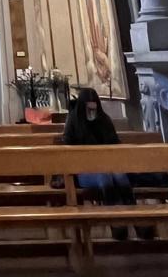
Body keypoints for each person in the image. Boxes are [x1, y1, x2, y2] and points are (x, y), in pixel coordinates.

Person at [62, 88, 152, 240]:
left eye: (94, 108)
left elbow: (115, 145)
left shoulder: (104, 120)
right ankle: (116, 222)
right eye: (88, 109)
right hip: (84, 171)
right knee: (104, 178)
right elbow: (67, 151)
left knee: (121, 176)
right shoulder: (73, 121)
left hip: (109, 166)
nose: (92, 112)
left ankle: (137, 219)